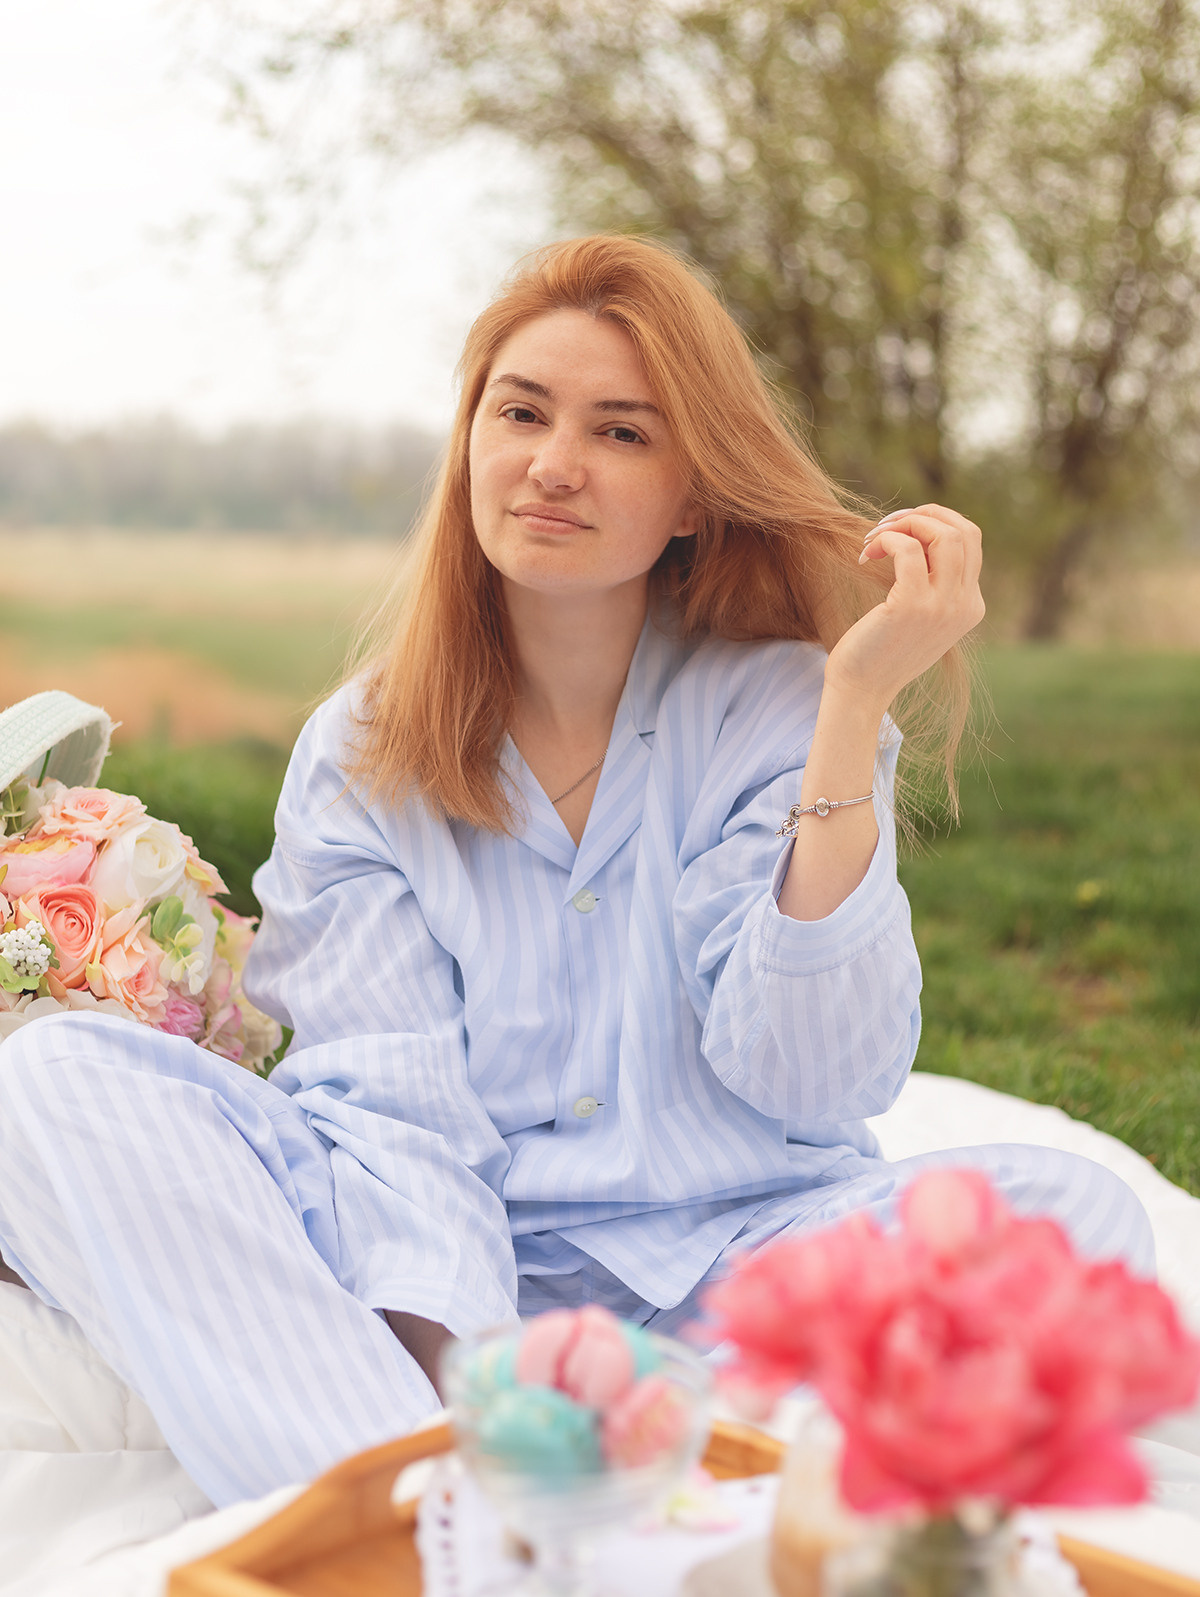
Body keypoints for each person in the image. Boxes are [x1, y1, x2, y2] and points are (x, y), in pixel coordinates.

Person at [0, 236, 1152, 1508]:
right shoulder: (361, 748)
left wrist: (853, 702)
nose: (554, 464)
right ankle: (419, 1494)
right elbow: (394, 1117)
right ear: (470, 440)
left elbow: (817, 1077)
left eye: (621, 432)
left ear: (696, 493)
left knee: (1068, 1218)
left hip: (743, 1268)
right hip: (458, 1285)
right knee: (51, 1080)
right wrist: (486, 1370)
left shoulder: (776, 709)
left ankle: (588, 1471)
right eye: (523, 412)